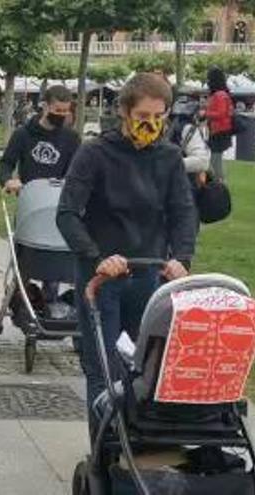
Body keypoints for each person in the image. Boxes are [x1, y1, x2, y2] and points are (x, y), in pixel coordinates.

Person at [56, 73, 197, 438]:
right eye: (142, 116)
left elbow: (183, 212)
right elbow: (67, 214)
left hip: (150, 275)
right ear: (124, 111)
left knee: (145, 368)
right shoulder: (95, 153)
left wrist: (182, 258)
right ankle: (104, 452)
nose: (150, 124)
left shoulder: (169, 157)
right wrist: (96, 256)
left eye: (159, 117)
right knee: (103, 369)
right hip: (102, 278)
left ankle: (137, 443)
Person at [0, 85, 80, 194]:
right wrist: (8, 180)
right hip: (29, 196)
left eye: (65, 111)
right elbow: (6, 163)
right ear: (45, 106)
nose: (61, 115)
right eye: (58, 110)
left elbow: (76, 169)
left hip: (59, 197)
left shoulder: (72, 138)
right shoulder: (22, 134)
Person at [204, 67, 234, 180]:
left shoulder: (219, 95)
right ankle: (219, 181)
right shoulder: (223, 94)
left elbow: (221, 113)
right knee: (216, 159)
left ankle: (220, 182)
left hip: (219, 131)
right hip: (222, 130)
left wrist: (206, 113)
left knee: (215, 160)